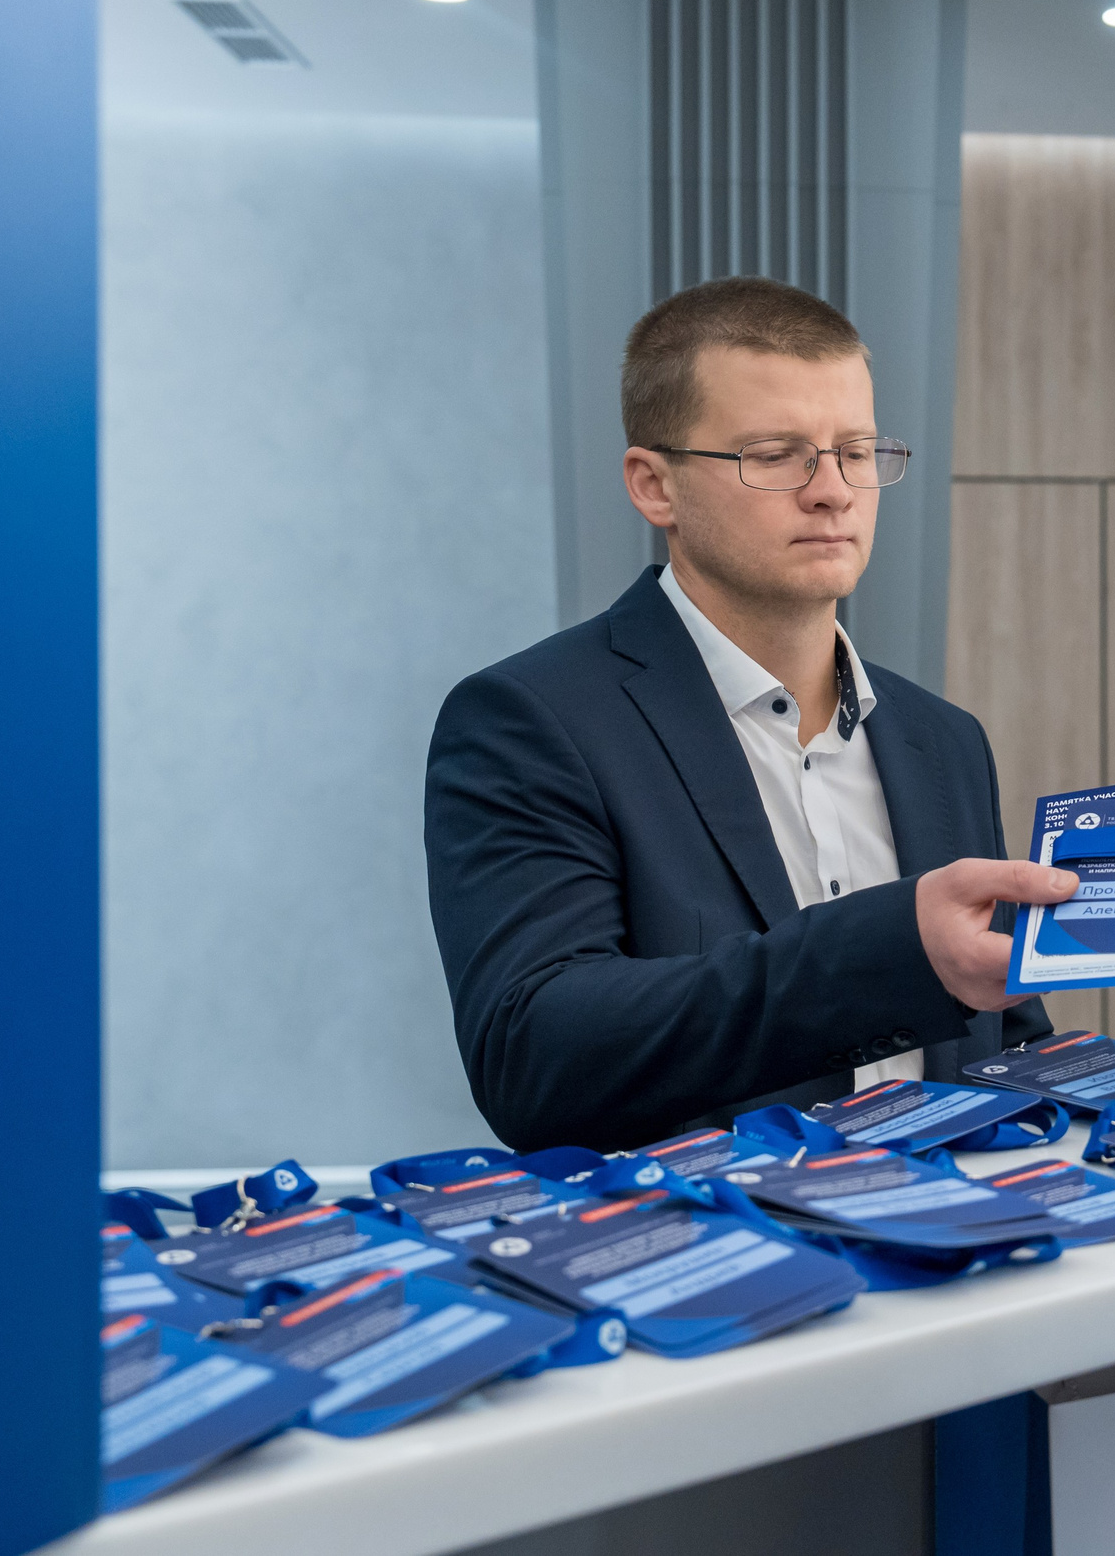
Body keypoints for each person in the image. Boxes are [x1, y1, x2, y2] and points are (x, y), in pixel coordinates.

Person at [425, 276, 1074, 1153]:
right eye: (776, 455)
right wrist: (887, 950)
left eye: (855, 450)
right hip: (716, 1272)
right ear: (655, 486)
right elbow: (536, 1056)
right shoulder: (530, 720)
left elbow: (1004, 1048)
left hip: (964, 1263)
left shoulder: (943, 739)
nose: (834, 491)